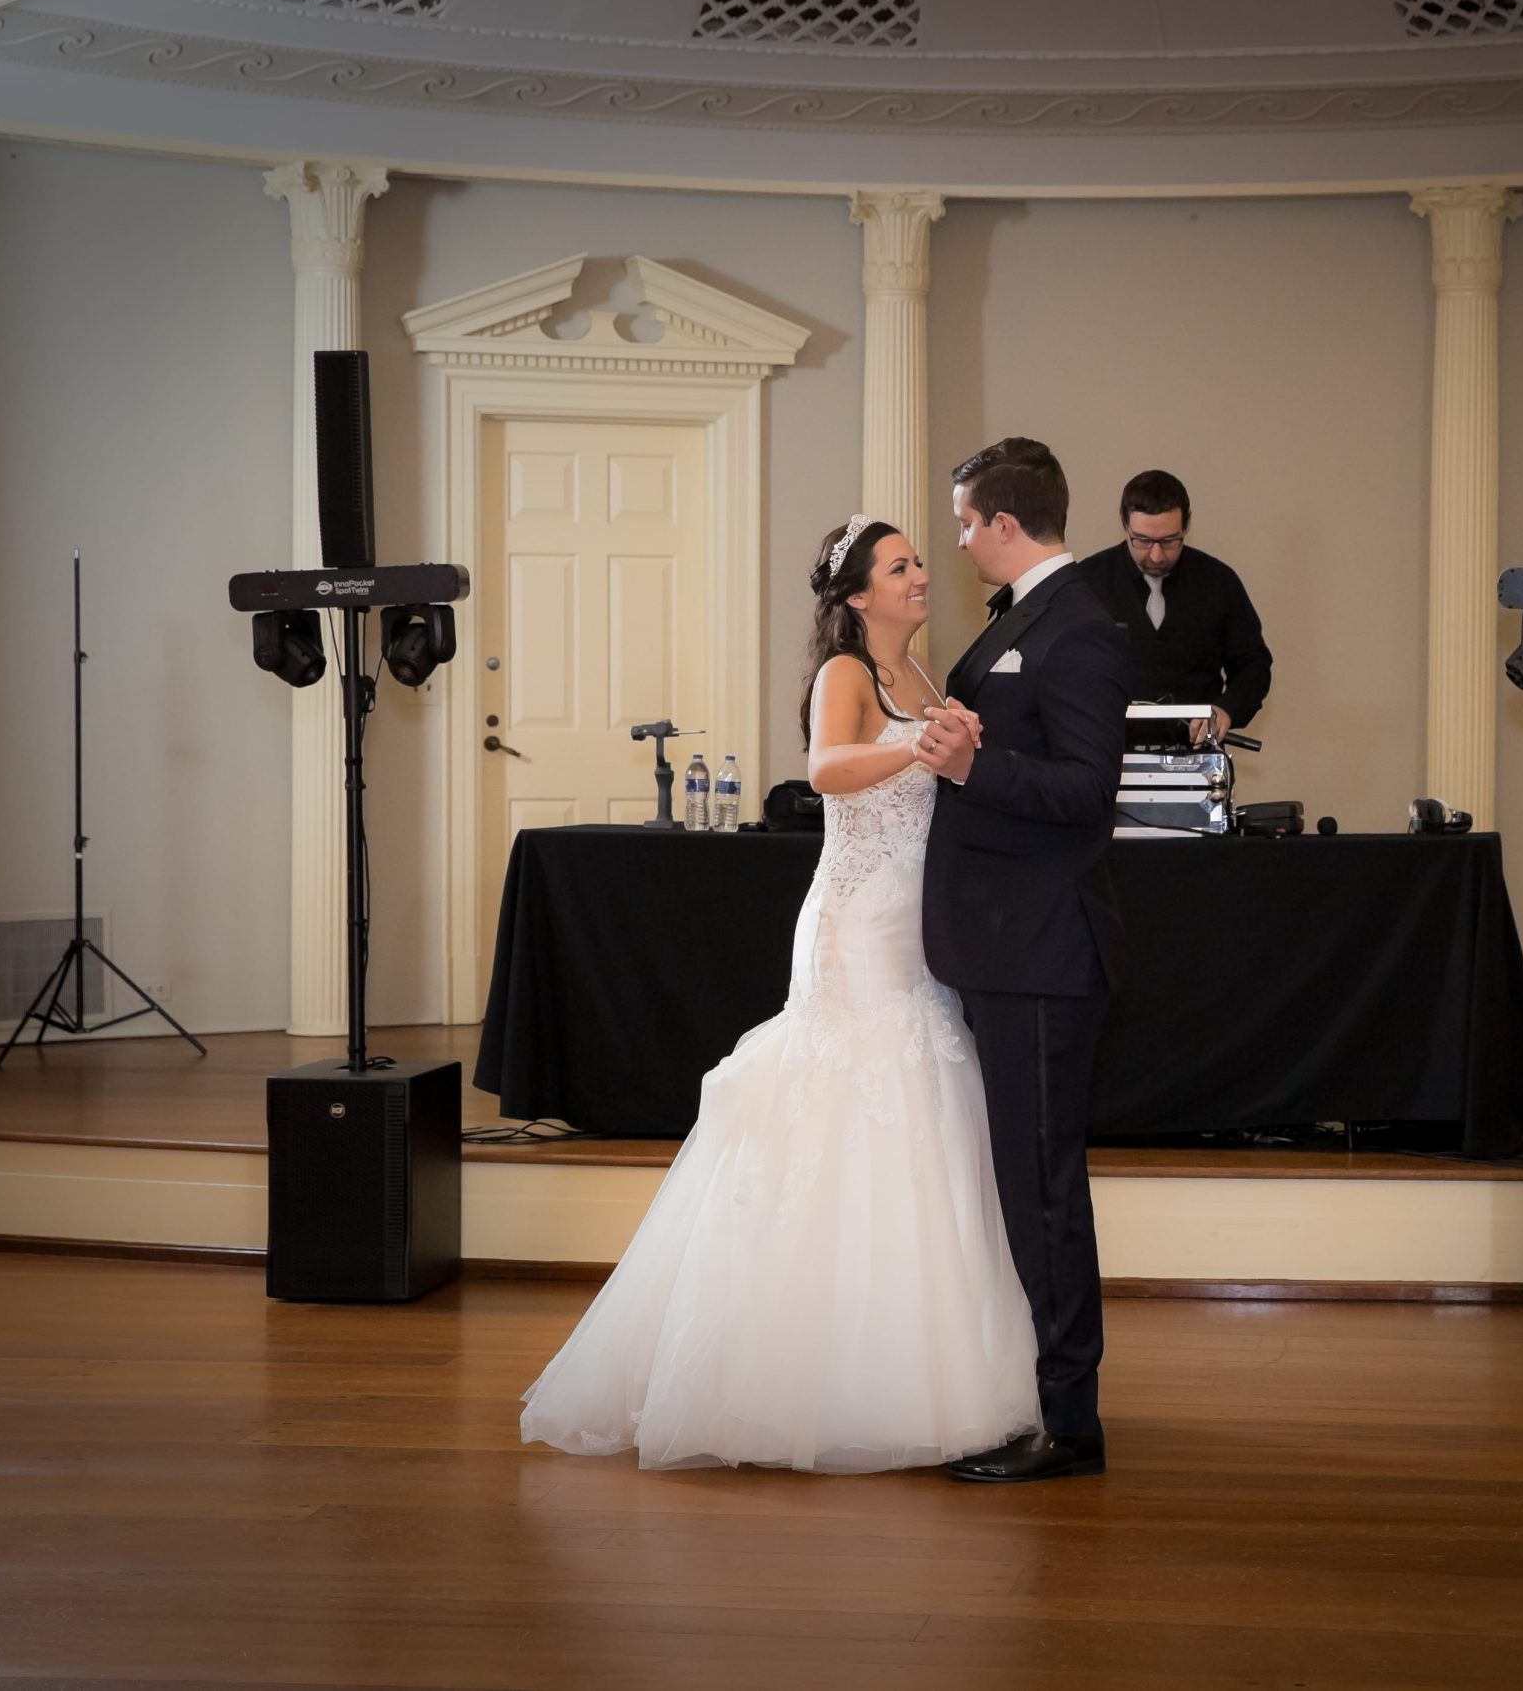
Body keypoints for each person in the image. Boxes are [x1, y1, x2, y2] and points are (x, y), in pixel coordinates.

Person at [518, 515, 1041, 1474]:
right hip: (854, 928)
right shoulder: (849, 674)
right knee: (850, 1107)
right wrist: (919, 747)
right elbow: (827, 770)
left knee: (921, 1116)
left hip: (917, 929)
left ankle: (907, 1364)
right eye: (899, 567)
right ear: (856, 597)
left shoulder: (929, 677)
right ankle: (786, 1376)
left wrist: (959, 741)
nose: (922, 574)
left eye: (921, 559)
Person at [914, 437, 1132, 1483]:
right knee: (1017, 1183)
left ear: (1004, 523)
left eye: (963, 523)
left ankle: (1070, 1425)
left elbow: (1091, 792)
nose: (957, 541)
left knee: (1043, 1191)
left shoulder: (1080, 624)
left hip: (1043, 950)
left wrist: (976, 762)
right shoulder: (1026, 618)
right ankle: (1028, 1396)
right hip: (1002, 942)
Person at [1073, 468, 1272, 742]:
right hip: (1106, 754)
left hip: (1196, 753)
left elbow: (1253, 665)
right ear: (1124, 523)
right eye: (1142, 540)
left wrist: (1226, 709)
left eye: (1169, 541)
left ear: (1186, 525)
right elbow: (1062, 670)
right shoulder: (1087, 583)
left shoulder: (1218, 582)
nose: (1156, 555)